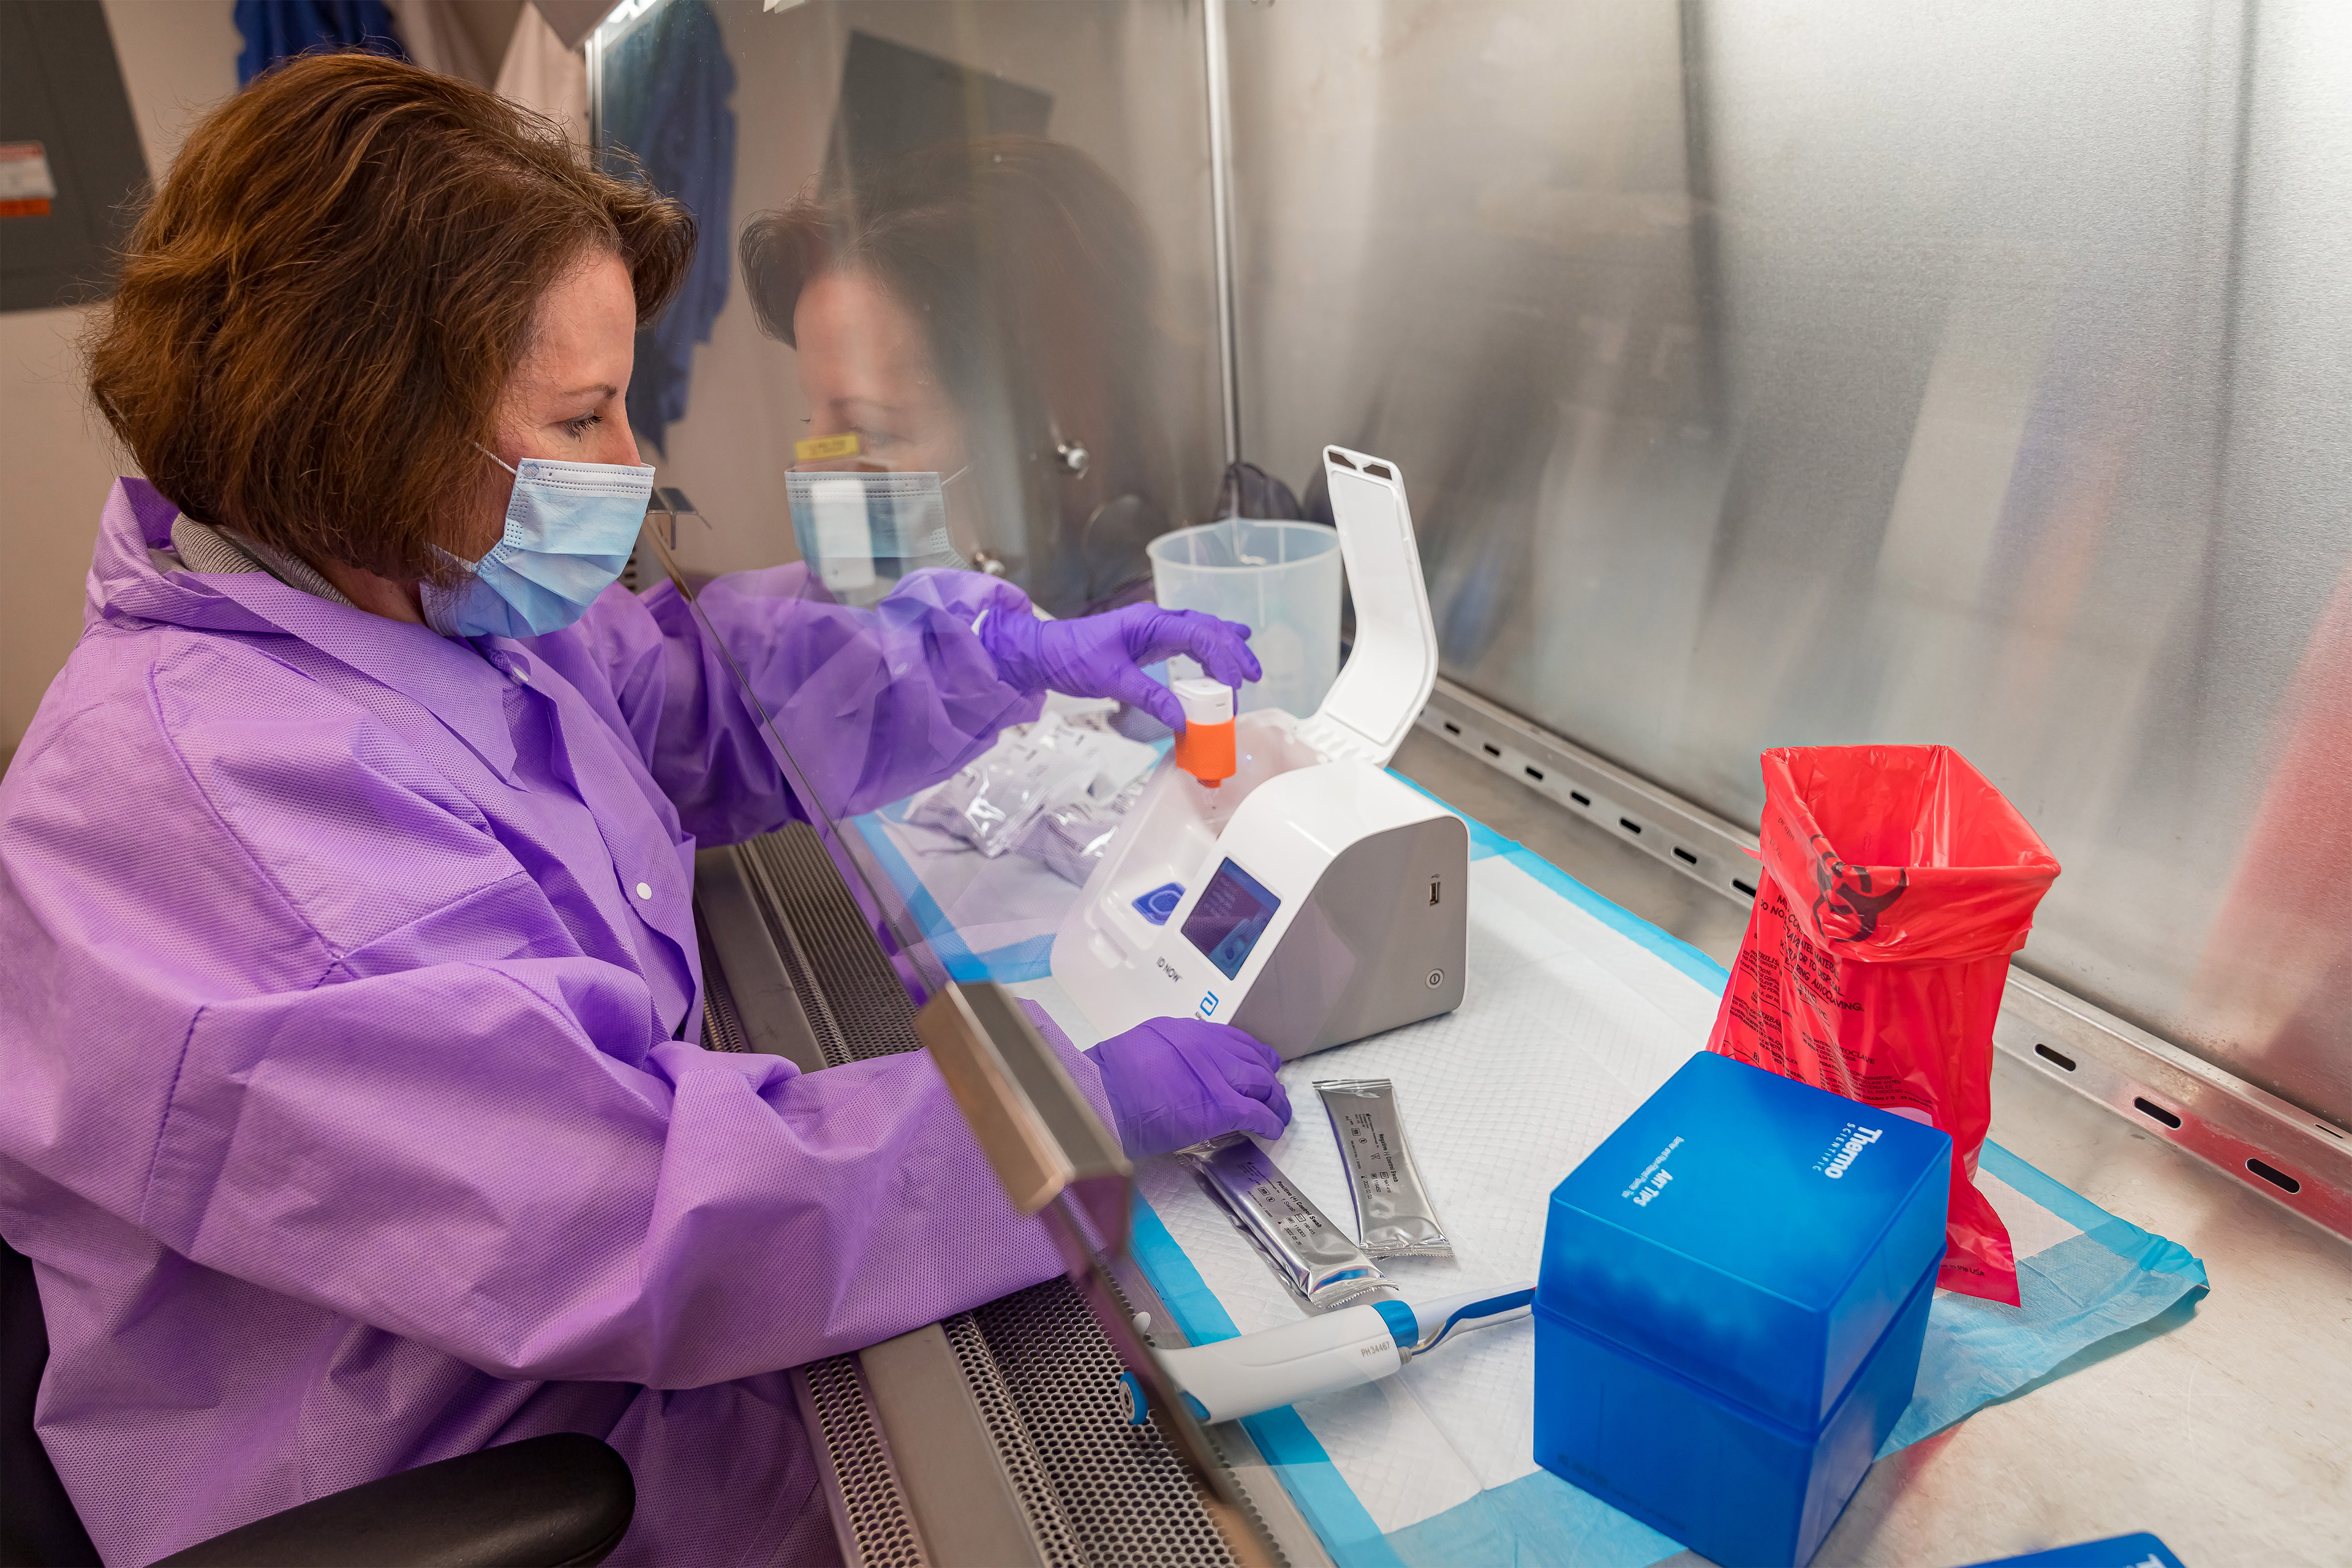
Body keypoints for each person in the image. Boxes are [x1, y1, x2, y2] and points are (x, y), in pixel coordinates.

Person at [0, 55, 1290, 1567]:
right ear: (372, 420)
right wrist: (1064, 1115)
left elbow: (690, 685)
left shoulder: (403, 590)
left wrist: (990, 646)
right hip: (480, 1471)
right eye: (585, 413)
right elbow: (621, 1212)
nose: (633, 464)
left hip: (586, 1354)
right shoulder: (226, 811)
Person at [741, 136, 1179, 616]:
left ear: (1034, 441)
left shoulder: (1144, 636)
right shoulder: (845, 643)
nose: (811, 472)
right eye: (812, 423)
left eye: (868, 429)